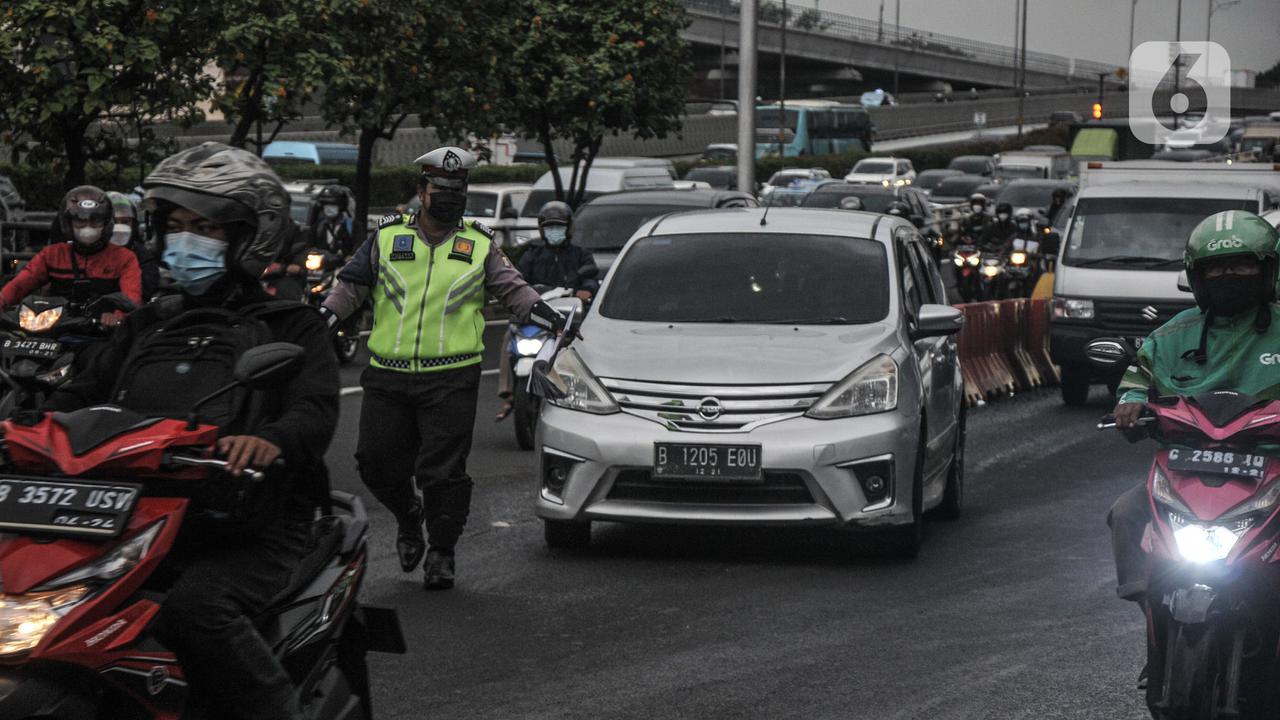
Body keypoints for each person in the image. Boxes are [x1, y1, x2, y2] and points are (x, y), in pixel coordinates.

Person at [47, 143, 339, 720]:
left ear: (249, 237)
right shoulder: (146, 324)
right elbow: (81, 393)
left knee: (196, 609)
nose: (186, 240)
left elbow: (314, 411)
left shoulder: (292, 324)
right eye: (176, 226)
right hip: (132, 516)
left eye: (204, 228)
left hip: (253, 524)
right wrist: (28, 426)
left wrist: (270, 441)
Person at [321, 146, 563, 590]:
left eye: (458, 192)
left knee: (443, 472)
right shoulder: (387, 238)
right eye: (441, 191)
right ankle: (407, 515)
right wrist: (323, 319)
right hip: (388, 375)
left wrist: (552, 317)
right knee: (375, 463)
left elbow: (514, 291)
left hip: (452, 377)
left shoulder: (478, 245)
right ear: (421, 192)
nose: (450, 199)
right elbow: (351, 287)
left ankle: (442, 552)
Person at [1108, 210, 1280, 686]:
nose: (1229, 276)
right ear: (1197, 278)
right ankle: (1157, 618)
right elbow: (1138, 378)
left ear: (1268, 271)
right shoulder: (1172, 335)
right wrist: (1130, 402)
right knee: (1126, 513)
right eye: (1215, 268)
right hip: (1184, 469)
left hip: (1270, 466)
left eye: (1242, 265)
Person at [496, 201, 598, 420]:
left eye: (559, 226)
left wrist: (587, 290)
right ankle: (509, 393)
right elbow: (516, 280)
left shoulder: (580, 255)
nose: (554, 231)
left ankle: (592, 393)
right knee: (509, 338)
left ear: (569, 228)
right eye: (550, 227)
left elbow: (591, 279)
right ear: (542, 229)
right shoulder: (532, 254)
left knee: (584, 346)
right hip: (537, 315)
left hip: (568, 317)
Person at [0, 186, 142, 324]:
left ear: (106, 223)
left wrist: (116, 317)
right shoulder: (52, 254)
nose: (87, 226)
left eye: (95, 220)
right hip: (55, 326)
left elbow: (131, 298)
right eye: (80, 220)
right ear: (68, 223)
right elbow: (18, 286)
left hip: (101, 332)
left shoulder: (124, 258)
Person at [107, 190, 161, 301]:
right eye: (114, 221)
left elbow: (147, 290)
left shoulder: (142, 254)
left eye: (125, 221)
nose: (119, 228)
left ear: (134, 225)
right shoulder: (85, 252)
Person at [307, 184, 356, 258]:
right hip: (321, 263)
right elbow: (308, 246)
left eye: (333, 205)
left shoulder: (353, 226)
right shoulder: (318, 227)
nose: (329, 208)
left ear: (342, 206)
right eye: (326, 205)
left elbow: (360, 247)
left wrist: (350, 257)